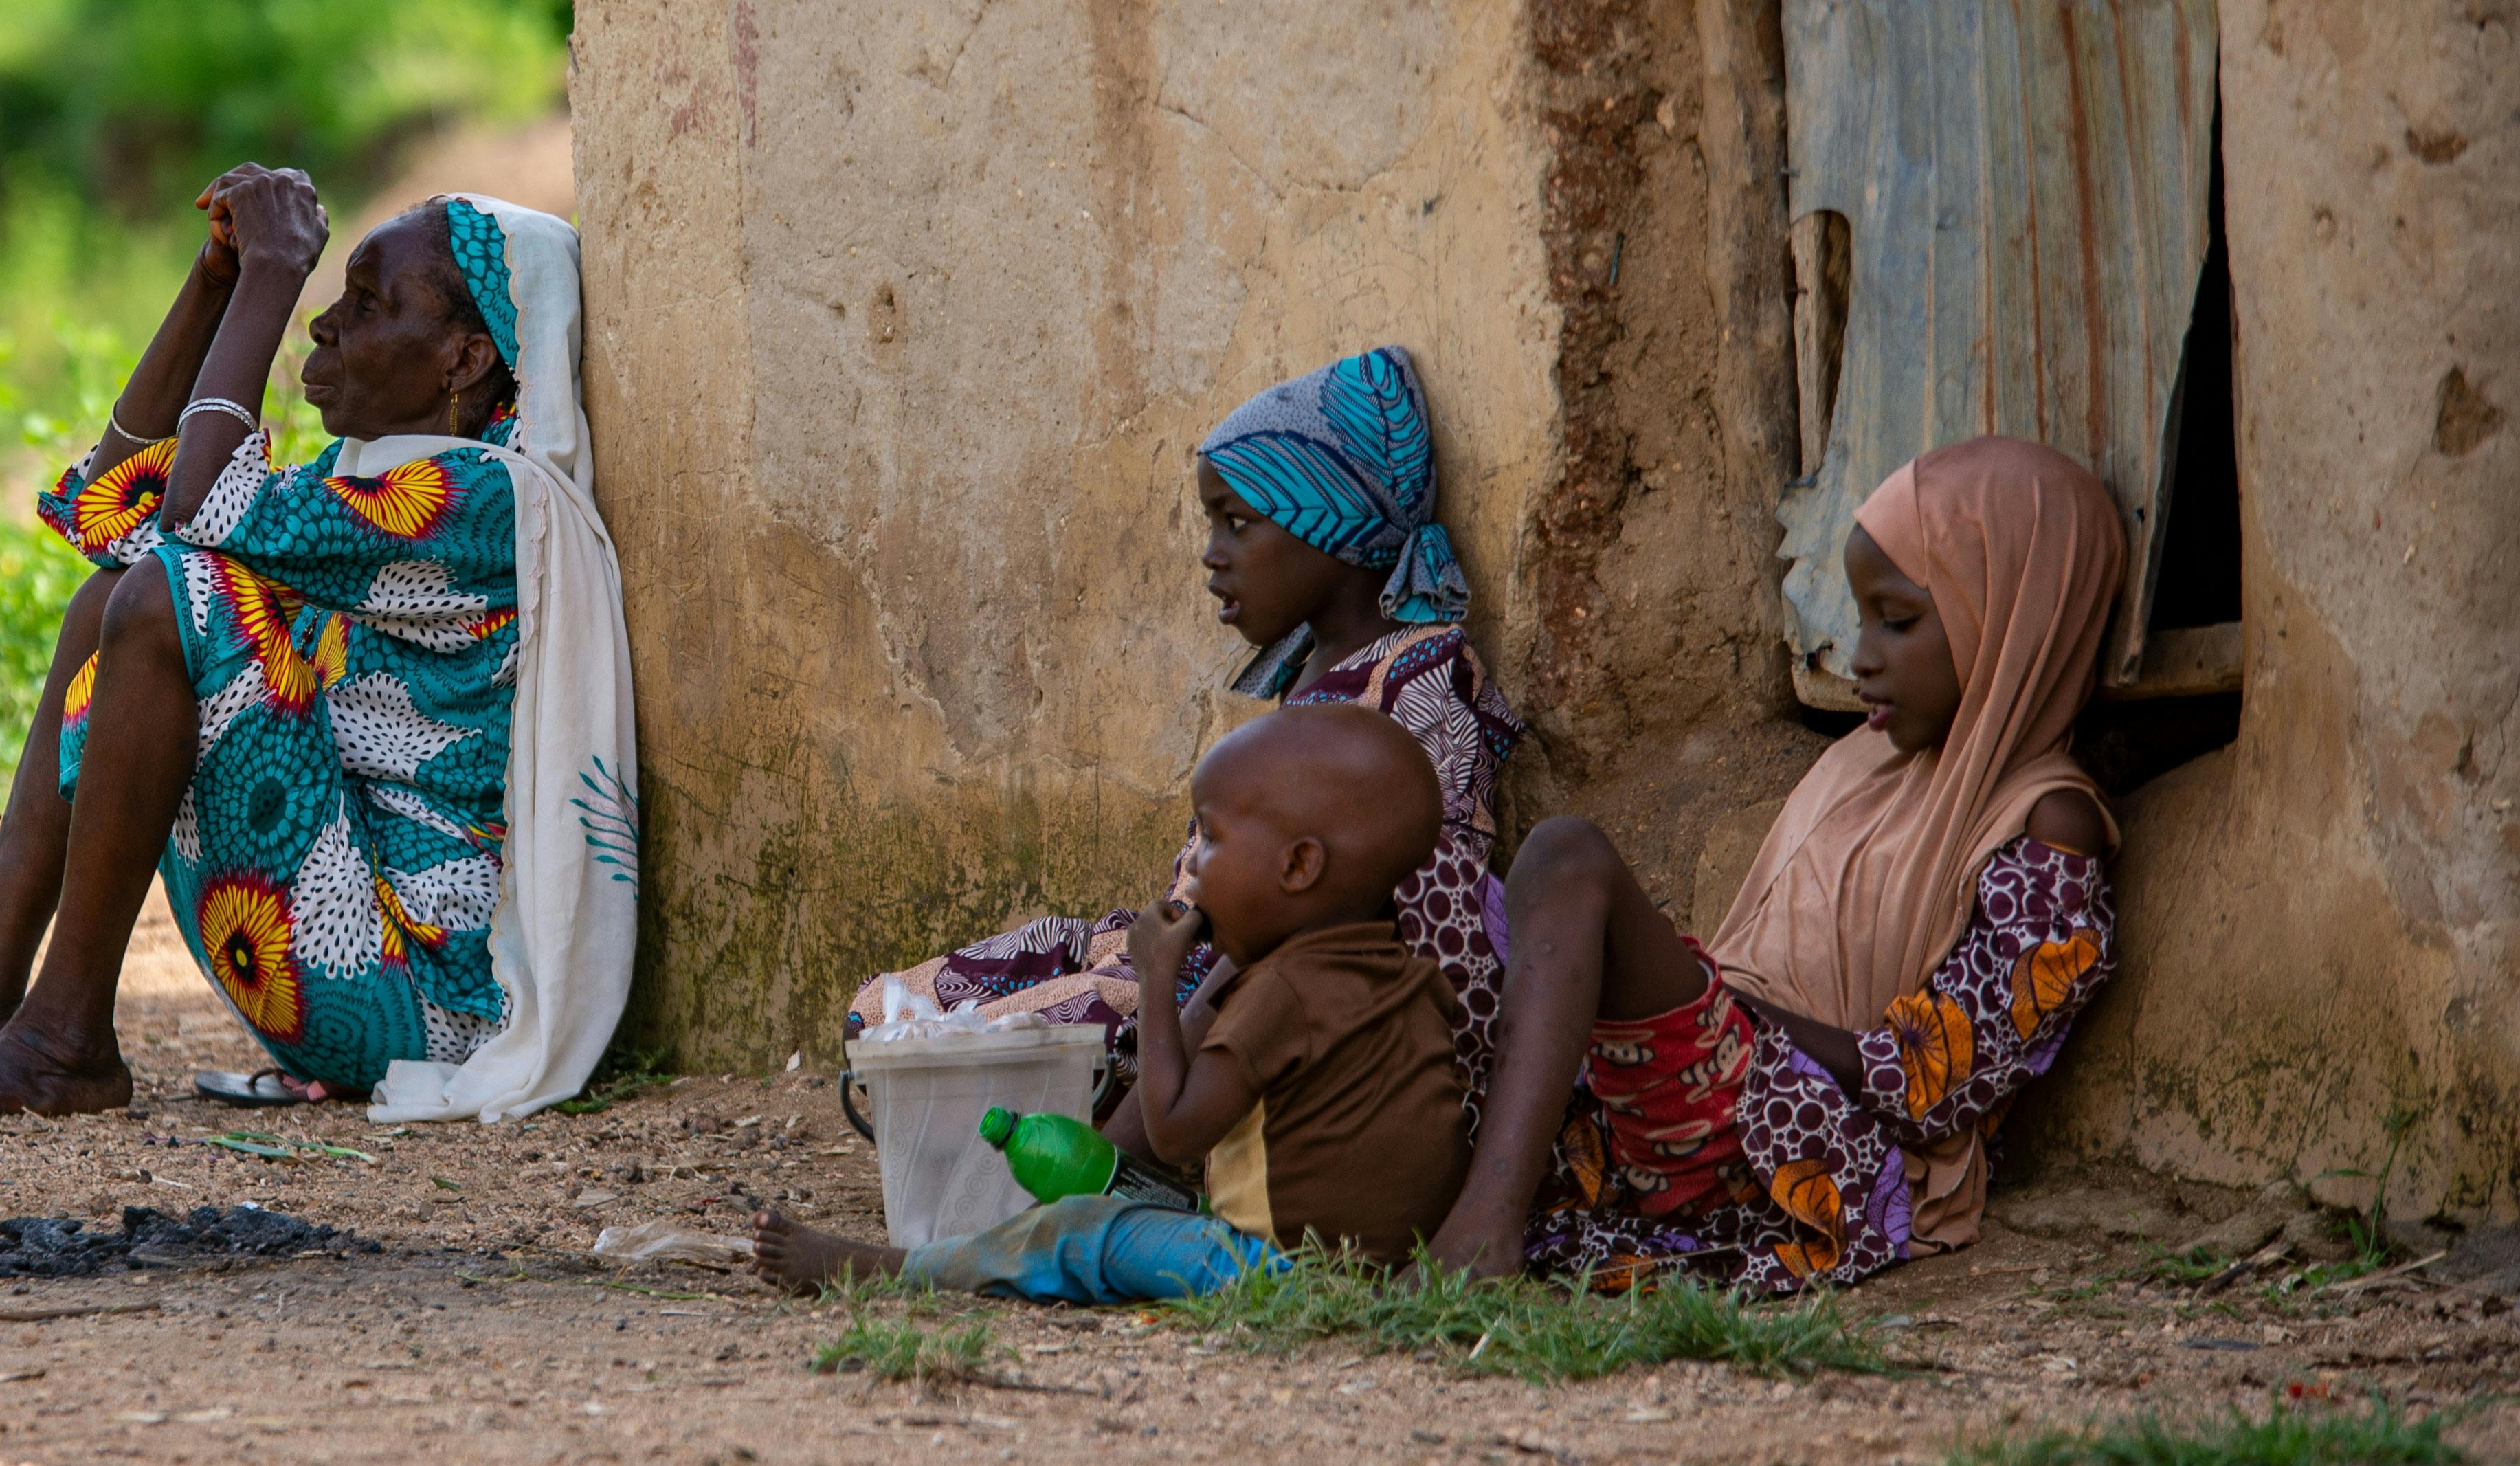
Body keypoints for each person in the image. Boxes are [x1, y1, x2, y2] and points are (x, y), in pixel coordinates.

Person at [0, 166, 637, 1124]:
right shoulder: (373, 486)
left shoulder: (481, 502)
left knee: (176, 593)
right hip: (345, 949)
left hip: (420, 994)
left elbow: (201, 515)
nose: (322, 324)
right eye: (329, 294)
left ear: (462, 361)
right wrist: (215, 280)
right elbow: (112, 509)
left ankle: (65, 1039)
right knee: (112, 600)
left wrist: (274, 270)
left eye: (366, 303)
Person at [1420, 435, 2122, 1293]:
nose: (1859, 653)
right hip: (1717, 1075)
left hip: (1803, 1138)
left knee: (1567, 855)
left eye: (1896, 620)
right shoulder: (1867, 765)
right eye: (1859, 616)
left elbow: (1937, 1081)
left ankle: (1482, 1232)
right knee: (1430, 879)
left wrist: (1732, 1005)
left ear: (2015, 616)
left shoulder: (2048, 821)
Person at [851, 346, 1524, 1141]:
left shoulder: (1420, 682)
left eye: (1237, 523)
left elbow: (1387, 921)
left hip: (1248, 985)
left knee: (990, 1050)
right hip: (1187, 943)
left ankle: (1084, 1147)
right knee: (886, 1013)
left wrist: (1172, 977)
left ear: (1328, 522)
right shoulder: (1315, 665)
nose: (1212, 552)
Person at [757, 701, 1464, 1301]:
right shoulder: (1405, 977)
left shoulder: (1283, 992)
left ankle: (899, 1268)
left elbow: (1176, 1131)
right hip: (1383, 1268)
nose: (1191, 869)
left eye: (1210, 839)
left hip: (1275, 1272)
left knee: (1075, 1230)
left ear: (1298, 865)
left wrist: (1158, 978)